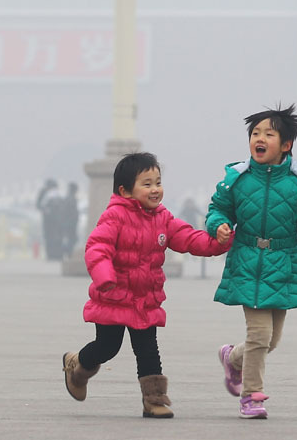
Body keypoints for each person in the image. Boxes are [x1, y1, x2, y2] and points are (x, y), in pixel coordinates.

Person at [61, 152, 231, 419]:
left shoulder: (162, 218)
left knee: (148, 350)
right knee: (107, 347)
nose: (155, 189)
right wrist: (104, 277)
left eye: (158, 182)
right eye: (147, 184)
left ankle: (154, 400)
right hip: (113, 296)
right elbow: (97, 247)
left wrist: (217, 242)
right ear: (125, 191)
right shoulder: (114, 216)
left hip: (145, 300)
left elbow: (187, 238)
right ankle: (77, 366)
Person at [206, 104, 297, 419]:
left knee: (270, 340)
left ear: (286, 145)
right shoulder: (237, 179)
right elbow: (218, 209)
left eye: (268, 134)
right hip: (247, 262)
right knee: (259, 335)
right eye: (255, 133)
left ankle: (232, 358)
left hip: (283, 264)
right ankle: (251, 397)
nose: (259, 139)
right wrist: (218, 225)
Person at [36, 179, 62, 261]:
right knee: (49, 236)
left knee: (55, 236)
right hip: (48, 219)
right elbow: (38, 205)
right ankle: (51, 255)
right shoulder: (44, 193)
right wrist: (45, 210)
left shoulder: (56, 193)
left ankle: (55, 254)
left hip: (56, 219)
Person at [60, 182, 80, 255]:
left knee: (70, 239)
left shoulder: (68, 198)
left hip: (68, 223)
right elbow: (72, 213)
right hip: (70, 223)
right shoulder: (71, 199)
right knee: (72, 239)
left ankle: (67, 252)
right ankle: (68, 252)